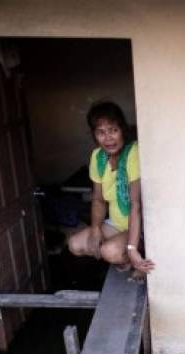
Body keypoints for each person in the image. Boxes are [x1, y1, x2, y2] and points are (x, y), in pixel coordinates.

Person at [68, 101, 155, 275]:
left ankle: (136, 252)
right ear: (94, 135)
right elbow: (98, 199)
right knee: (74, 244)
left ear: (122, 129)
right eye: (101, 132)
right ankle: (126, 255)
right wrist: (95, 229)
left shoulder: (132, 153)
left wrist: (131, 248)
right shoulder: (98, 157)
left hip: (139, 224)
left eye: (113, 130)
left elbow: (135, 204)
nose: (108, 138)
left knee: (109, 252)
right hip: (116, 224)